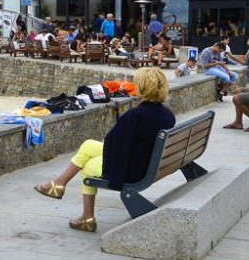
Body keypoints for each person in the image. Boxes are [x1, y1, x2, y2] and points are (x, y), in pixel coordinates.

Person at [33, 68, 177, 232]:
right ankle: (58, 184)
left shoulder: (135, 116)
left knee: (88, 165)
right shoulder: (166, 114)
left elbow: (114, 142)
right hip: (148, 162)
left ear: (142, 87)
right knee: (88, 145)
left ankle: (87, 218)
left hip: (135, 171)